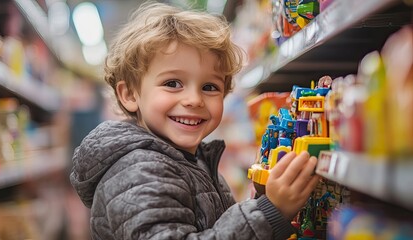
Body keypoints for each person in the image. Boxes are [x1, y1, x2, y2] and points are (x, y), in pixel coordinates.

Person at [70, 1, 320, 239]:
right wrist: (268, 213)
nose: (194, 100)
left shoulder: (193, 160)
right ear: (129, 95)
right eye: (172, 83)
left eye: (210, 87)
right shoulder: (139, 170)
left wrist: (262, 201)